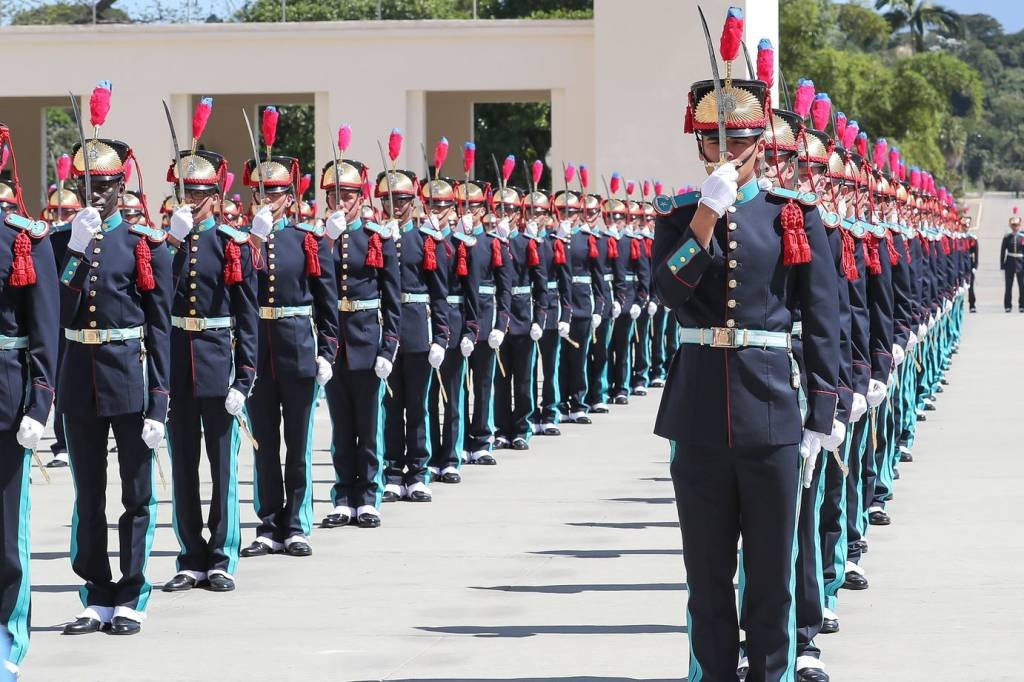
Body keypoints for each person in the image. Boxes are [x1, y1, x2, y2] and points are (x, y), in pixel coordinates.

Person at [653, 17, 839, 680]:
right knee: (706, 580)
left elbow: (822, 317)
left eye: (740, 141)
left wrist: (822, 413)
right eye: (715, 140)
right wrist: (706, 213)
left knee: (771, 580)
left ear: (762, 144)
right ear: (700, 144)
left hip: (770, 411)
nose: (728, 151)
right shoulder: (679, 213)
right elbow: (668, 292)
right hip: (699, 411)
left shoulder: (794, 213)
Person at [58, 82, 172, 636]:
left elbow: (161, 327)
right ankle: (94, 592)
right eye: (86, 185)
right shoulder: (64, 239)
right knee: (88, 492)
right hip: (81, 376)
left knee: (135, 493)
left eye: (104, 186)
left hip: (129, 376)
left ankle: (132, 592)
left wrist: (160, 402)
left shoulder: (143, 243)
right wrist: (74, 253)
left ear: (119, 185)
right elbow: (58, 310)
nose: (95, 195)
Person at [161, 102, 259, 593]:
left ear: (215, 196)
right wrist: (171, 246)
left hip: (220, 364)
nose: (192, 200)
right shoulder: (164, 245)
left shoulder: (231, 243)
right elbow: (154, 303)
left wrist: (245, 378)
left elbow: (248, 317)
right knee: (183, 466)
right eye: (185, 191)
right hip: (179, 364)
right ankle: (189, 555)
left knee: (222, 466)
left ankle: (221, 556)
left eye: (200, 193)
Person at [239, 108, 338, 556]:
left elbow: (326, 299)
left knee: (297, 443)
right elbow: (236, 289)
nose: (269, 199)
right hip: (258, 352)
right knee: (263, 444)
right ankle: (268, 522)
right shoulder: (243, 242)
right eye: (262, 191)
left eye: (276, 192)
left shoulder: (305, 238)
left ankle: (297, 523)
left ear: (288, 195)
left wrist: (328, 351)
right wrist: (253, 240)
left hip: (298, 347)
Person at [0, 125, 58, 675]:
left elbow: (43, 327)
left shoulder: (23, 236)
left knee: (5, 536)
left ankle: (7, 643)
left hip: (5, 398)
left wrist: (40, 404)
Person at [319, 154, 399, 529]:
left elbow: (392, 300)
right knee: (340, 425)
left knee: (368, 426)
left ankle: (368, 496)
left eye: (348, 195)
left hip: (367, 339)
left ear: (361, 198)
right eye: (334, 195)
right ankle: (342, 495)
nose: (341, 202)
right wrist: (328, 241)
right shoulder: (321, 239)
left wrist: (388, 347)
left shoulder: (376, 238)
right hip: (335, 343)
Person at [381, 170, 448, 503]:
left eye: (402, 200)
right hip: (387, 333)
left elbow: (439, 294)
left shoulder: (425, 240)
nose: (395, 206)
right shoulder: (378, 238)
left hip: (418, 329)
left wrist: (441, 337)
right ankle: (393, 472)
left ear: (413, 203)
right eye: (388, 200)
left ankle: (419, 472)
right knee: (392, 406)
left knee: (419, 406)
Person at [493, 184, 549, 450]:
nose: (506, 214)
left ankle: (522, 427)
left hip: (523, 316)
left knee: (524, 380)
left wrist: (540, 319)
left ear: (519, 213)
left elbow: (541, 285)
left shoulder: (527, 243)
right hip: (498, 320)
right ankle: (502, 428)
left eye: (511, 209)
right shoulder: (492, 241)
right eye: (501, 209)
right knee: (501, 380)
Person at [42, 154, 81, 469]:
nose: (62, 216)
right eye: (57, 211)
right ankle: (62, 443)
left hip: (80, 318)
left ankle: (70, 441)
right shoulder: (52, 240)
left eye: (68, 211)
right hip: (54, 319)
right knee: (56, 383)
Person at [1000, 209, 1024, 312]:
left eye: (1017, 225)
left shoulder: (1022, 237)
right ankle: (1007, 305)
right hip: (1009, 262)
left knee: (1022, 286)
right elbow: (1002, 251)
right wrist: (1002, 264)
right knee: (1008, 286)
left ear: (1020, 226)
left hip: (1021, 263)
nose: (1015, 227)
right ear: (1011, 226)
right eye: (1013, 225)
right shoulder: (1007, 237)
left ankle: (1022, 305)